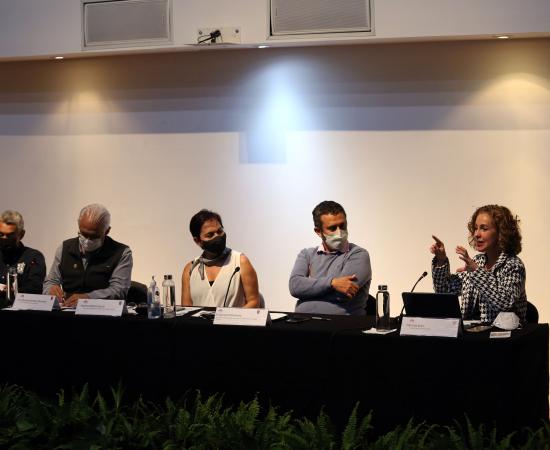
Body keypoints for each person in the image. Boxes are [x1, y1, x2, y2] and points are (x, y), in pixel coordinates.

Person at [431, 204, 527, 324]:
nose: (476, 234)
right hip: (471, 333)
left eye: (484, 229)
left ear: (501, 233)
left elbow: (504, 303)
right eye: (476, 228)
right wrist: (441, 259)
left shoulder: (513, 265)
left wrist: (476, 271)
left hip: (503, 333)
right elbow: (444, 290)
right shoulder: (477, 262)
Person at [289, 201, 372, 315]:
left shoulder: (358, 254)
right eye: (332, 228)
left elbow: (343, 294)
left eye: (342, 226)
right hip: (302, 321)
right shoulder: (306, 254)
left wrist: (307, 290)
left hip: (341, 324)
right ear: (318, 231)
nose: (339, 232)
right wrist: (332, 283)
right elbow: (295, 287)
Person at [43, 204, 132, 307]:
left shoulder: (121, 253)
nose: (87, 240)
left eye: (94, 236)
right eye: (84, 234)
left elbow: (119, 290)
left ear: (107, 231)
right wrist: (51, 289)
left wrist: (89, 298)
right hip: (67, 310)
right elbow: (50, 281)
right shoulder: (65, 248)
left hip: (101, 311)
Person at [181, 209, 260, 308]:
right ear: (197, 241)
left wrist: (232, 317)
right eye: (210, 235)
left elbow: (254, 301)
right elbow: (186, 308)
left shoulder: (240, 262)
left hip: (234, 319)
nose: (217, 237)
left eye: (220, 231)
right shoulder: (190, 269)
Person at [0, 210, 46, 295]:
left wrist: (10, 291)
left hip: (19, 303)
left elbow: (35, 289)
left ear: (21, 234)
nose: (4, 239)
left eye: (10, 235)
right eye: (1, 235)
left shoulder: (33, 257)